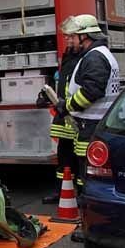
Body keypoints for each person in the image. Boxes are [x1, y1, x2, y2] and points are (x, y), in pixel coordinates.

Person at [55, 14, 120, 242]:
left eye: (72, 36)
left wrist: (67, 106)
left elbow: (92, 90)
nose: (69, 41)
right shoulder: (97, 55)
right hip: (95, 125)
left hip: (92, 126)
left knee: (89, 179)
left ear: (85, 36)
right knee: (89, 177)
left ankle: (91, 226)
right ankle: (92, 224)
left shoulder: (94, 57)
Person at [41, 16, 82, 203]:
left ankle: (81, 193)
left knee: (79, 158)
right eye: (66, 37)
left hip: (78, 113)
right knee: (64, 157)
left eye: (71, 37)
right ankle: (62, 191)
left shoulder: (87, 56)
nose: (68, 40)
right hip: (64, 113)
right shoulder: (69, 54)